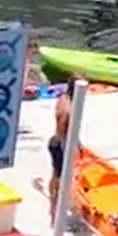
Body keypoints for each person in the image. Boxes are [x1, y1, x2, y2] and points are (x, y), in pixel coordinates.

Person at [46, 81, 75, 217]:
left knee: (55, 174)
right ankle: (54, 208)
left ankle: (53, 206)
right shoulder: (68, 110)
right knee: (60, 177)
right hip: (61, 144)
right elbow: (64, 127)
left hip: (54, 140)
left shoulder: (62, 99)